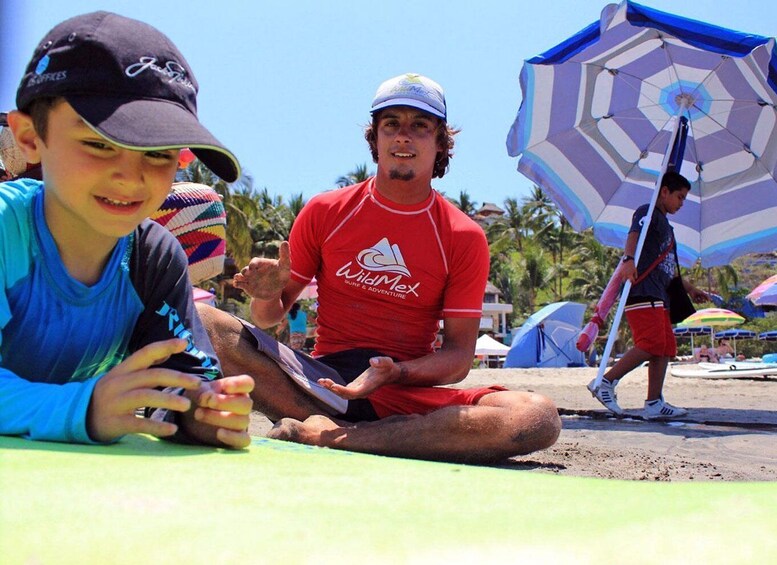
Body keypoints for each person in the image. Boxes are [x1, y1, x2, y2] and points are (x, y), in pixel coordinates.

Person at [197, 72, 561, 463]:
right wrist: (267, 297)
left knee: (536, 416)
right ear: (376, 138)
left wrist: (395, 374)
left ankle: (338, 438)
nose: (404, 136)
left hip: (403, 389)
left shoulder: (462, 235)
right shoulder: (326, 211)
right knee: (201, 319)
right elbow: (267, 319)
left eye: (420, 126)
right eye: (392, 125)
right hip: (319, 381)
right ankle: (366, 435)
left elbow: (457, 359)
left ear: (440, 143)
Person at [0, 12, 254, 447]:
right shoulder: (7, 232)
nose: (129, 176)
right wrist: (82, 408)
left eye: (156, 155)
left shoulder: (153, 258)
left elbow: (178, 384)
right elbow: (92, 408)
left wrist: (204, 410)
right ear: (28, 137)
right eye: (99, 144)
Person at [587, 171, 709, 419]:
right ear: (664, 192)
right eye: (680, 197)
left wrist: (690, 288)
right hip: (642, 291)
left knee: (665, 347)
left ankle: (654, 402)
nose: (681, 203)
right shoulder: (647, 212)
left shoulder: (667, 227)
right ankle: (605, 382)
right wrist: (629, 260)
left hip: (659, 294)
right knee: (650, 344)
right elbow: (634, 234)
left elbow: (667, 270)